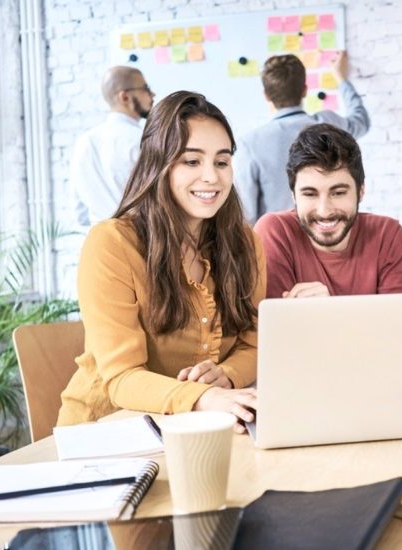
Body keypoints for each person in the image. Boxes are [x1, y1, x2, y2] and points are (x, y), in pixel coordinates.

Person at [58, 91, 263, 430]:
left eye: (222, 161)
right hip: (104, 432)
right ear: (158, 163)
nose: (212, 176)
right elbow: (122, 377)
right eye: (192, 161)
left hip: (197, 430)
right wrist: (203, 398)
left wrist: (224, 377)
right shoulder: (112, 243)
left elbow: (253, 344)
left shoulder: (244, 243)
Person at [254, 123, 402, 298]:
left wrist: (327, 313)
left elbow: (401, 323)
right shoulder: (275, 231)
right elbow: (275, 323)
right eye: (310, 194)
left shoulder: (387, 234)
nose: (324, 211)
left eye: (338, 193)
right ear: (294, 196)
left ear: (361, 191)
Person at [234, 51, 370, 225]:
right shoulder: (328, 124)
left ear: (266, 96)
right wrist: (341, 78)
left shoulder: (250, 143)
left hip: (275, 245)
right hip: (327, 237)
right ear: (305, 90)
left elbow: (247, 215)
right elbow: (361, 120)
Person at [70, 66, 155, 226]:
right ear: (125, 97)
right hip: (140, 239)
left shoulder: (83, 142)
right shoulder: (142, 140)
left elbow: (80, 214)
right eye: (146, 88)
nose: (152, 95)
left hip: (100, 242)